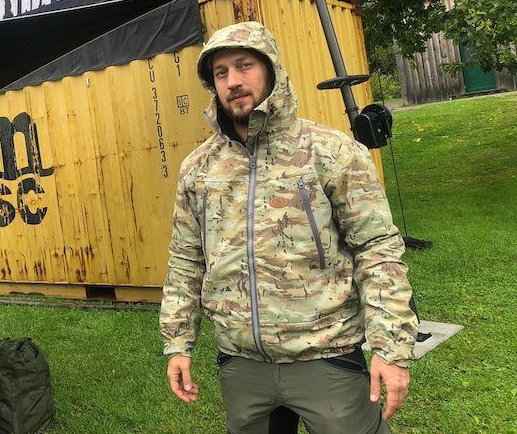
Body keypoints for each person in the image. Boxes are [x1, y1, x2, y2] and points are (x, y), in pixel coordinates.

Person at [160, 22, 417, 433]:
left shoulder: (331, 152)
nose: (233, 81)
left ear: (271, 69)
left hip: (326, 355)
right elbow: (186, 260)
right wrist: (178, 343)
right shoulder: (198, 169)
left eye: (244, 65)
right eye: (221, 72)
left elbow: (377, 249)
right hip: (242, 365)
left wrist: (390, 348)